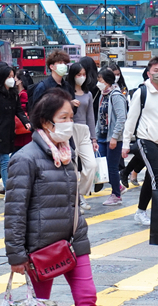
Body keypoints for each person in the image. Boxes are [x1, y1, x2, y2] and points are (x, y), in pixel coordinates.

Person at [5, 88, 96, 305]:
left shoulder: (67, 155)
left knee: (87, 297)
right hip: (40, 246)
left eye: (71, 118)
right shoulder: (25, 159)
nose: (69, 123)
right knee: (41, 301)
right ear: (46, 122)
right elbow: (15, 210)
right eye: (63, 118)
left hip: (74, 239)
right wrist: (16, 255)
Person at [122, 57, 158, 226]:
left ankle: (141, 212)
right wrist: (126, 144)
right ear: (148, 74)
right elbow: (131, 120)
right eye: (156, 71)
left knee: (152, 177)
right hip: (146, 139)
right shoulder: (142, 92)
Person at [0, 66, 31, 199]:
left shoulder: (13, 93)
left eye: (12, 76)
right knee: (5, 161)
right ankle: (10, 191)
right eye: (9, 77)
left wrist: (26, 121)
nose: (12, 79)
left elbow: (18, 110)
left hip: (9, 132)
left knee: (0, 161)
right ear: (2, 78)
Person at [69, 62, 99, 210]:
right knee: (73, 167)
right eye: (78, 74)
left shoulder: (88, 94)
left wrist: (94, 138)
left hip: (85, 131)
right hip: (70, 130)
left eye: (83, 74)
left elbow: (91, 117)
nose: (81, 77)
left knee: (91, 165)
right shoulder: (67, 93)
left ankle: (80, 194)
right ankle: (76, 199)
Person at [96, 68, 127, 206]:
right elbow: (99, 117)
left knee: (111, 167)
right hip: (102, 136)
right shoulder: (103, 95)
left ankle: (116, 194)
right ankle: (118, 186)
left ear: (108, 81)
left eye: (101, 80)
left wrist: (115, 137)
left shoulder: (116, 95)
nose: (99, 83)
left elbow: (121, 117)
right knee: (101, 166)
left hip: (112, 138)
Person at [13, 70, 34, 152]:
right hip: (24, 128)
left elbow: (22, 109)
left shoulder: (23, 94)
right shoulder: (24, 93)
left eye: (14, 77)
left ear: (20, 80)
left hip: (22, 129)